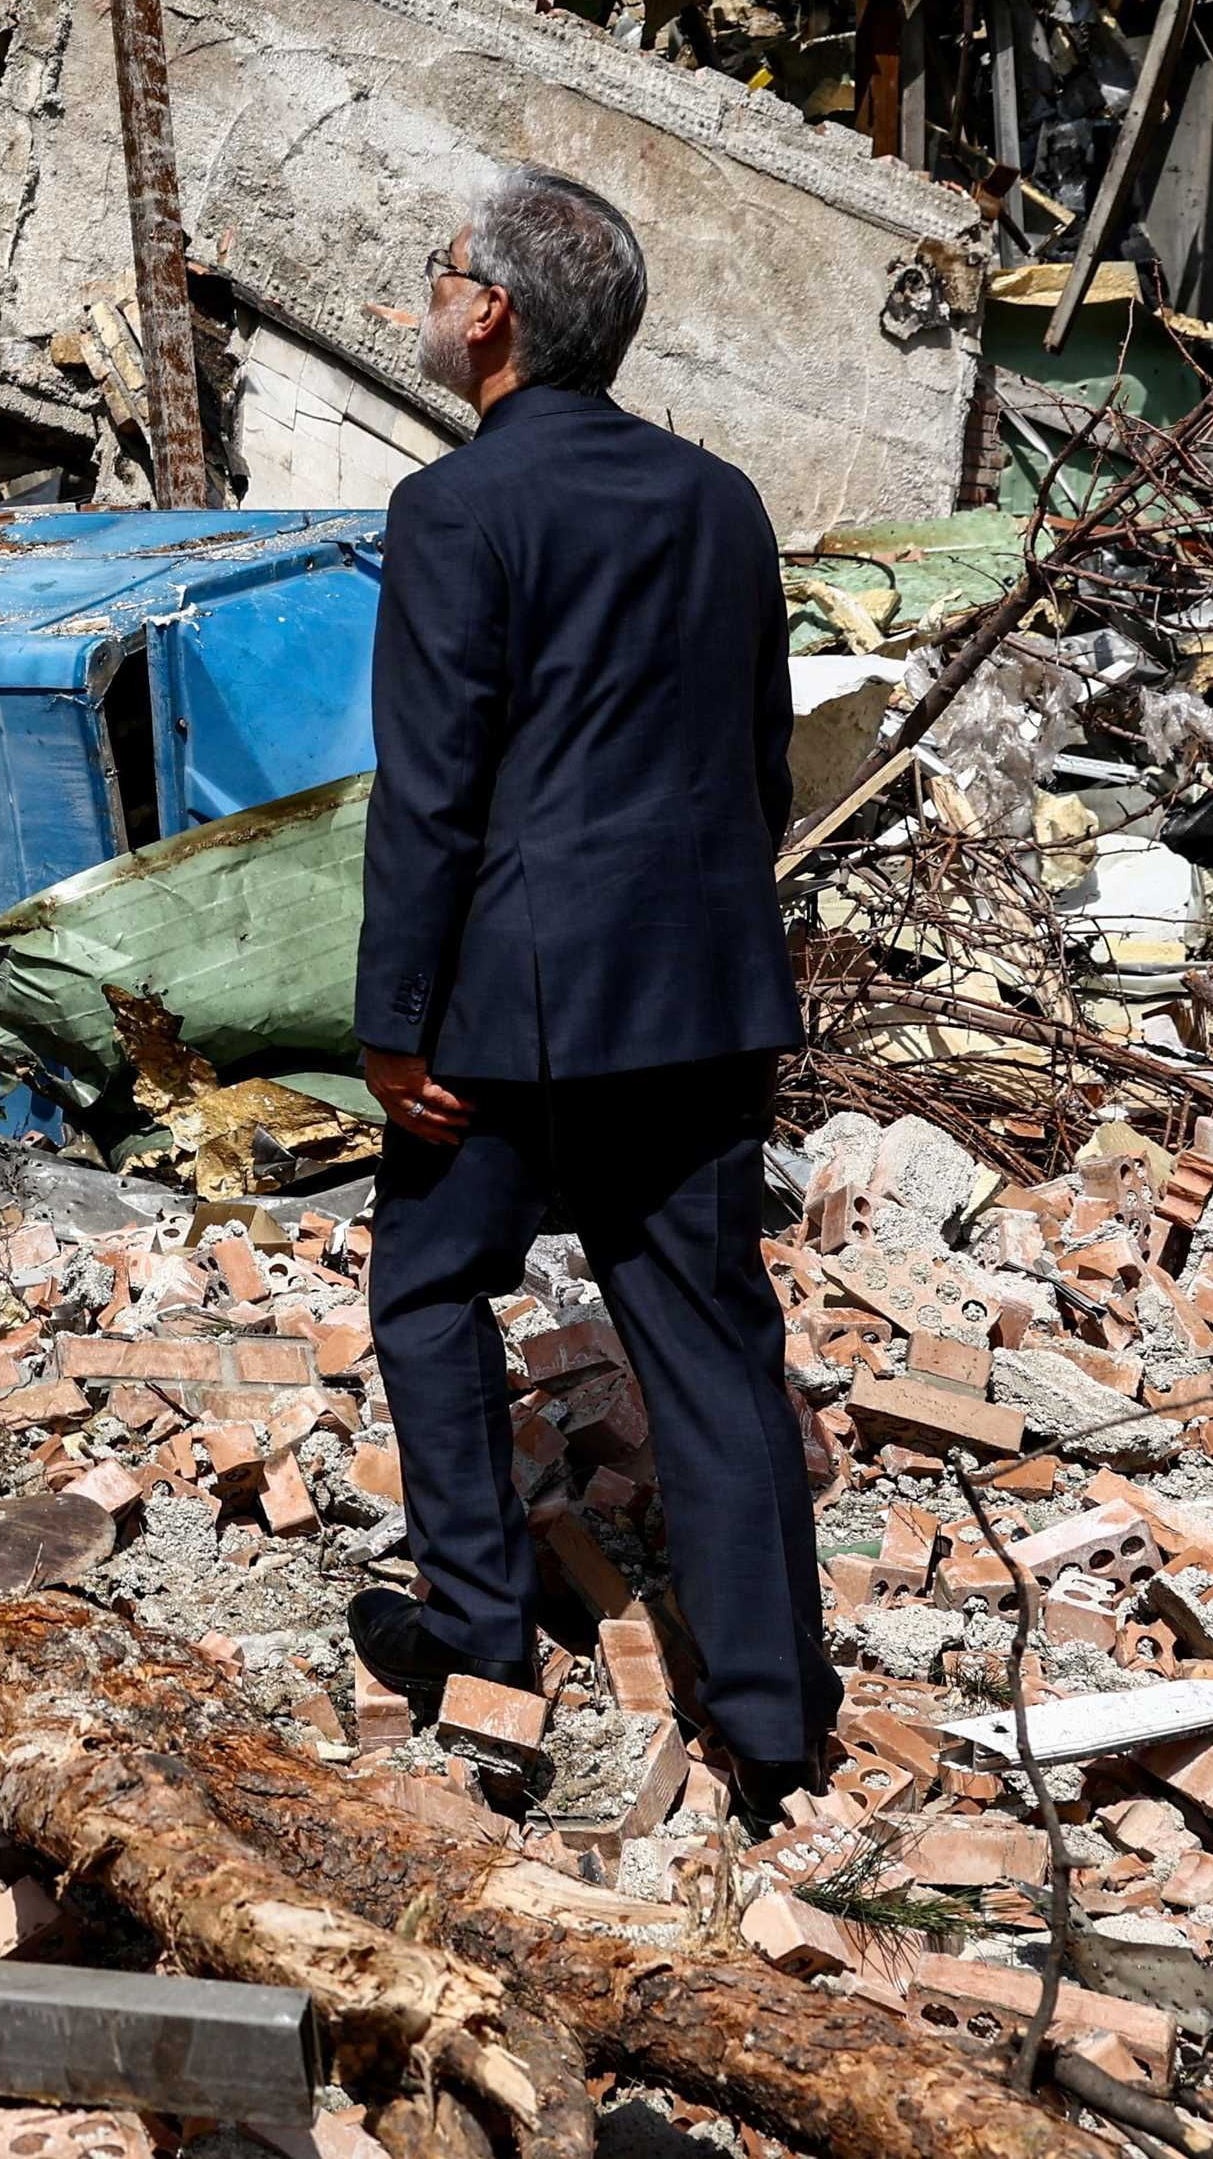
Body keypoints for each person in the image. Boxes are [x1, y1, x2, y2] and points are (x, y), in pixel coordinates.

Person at [346, 165, 836, 1823]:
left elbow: (431, 793)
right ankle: (777, 1723)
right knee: (711, 1343)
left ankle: (478, 1638)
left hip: (514, 1014)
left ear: (491, 312)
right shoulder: (722, 501)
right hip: (697, 996)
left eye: (440, 269)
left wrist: (393, 1020)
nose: (428, 292)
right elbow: (758, 766)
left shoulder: (453, 509)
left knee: (428, 1285)